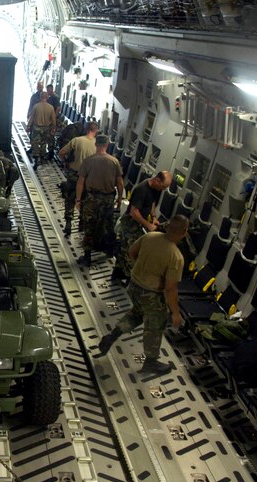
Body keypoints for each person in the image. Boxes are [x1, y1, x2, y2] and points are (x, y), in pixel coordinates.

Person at [93, 215, 189, 376]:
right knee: (155, 326)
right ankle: (151, 363)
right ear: (184, 232)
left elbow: (132, 252)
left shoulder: (150, 236)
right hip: (151, 294)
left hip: (134, 286)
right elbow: (170, 288)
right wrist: (175, 313)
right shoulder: (176, 256)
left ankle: (112, 336)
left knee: (136, 314)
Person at [112, 170, 173, 280]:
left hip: (139, 223)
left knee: (125, 249)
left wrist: (153, 216)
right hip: (130, 223)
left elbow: (152, 202)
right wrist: (148, 226)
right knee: (132, 251)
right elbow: (133, 212)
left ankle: (117, 274)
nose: (163, 190)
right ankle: (130, 278)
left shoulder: (155, 188)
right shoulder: (142, 189)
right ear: (157, 180)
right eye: (163, 187)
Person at [75, 134, 124, 267]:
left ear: (96, 144)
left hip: (92, 199)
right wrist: (119, 198)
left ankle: (87, 257)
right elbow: (120, 183)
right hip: (108, 198)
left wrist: (78, 200)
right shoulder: (114, 162)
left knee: (89, 225)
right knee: (107, 224)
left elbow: (81, 182)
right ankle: (108, 250)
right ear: (107, 145)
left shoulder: (88, 161)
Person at [58, 120, 98, 235]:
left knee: (70, 199)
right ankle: (81, 223)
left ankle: (69, 224)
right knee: (85, 200)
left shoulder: (76, 140)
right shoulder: (97, 145)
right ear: (96, 131)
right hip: (89, 178)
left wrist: (66, 162)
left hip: (74, 175)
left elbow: (61, 153)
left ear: (85, 129)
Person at [27, 92, 56, 165]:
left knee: (35, 142)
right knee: (43, 143)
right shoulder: (51, 107)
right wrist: (53, 127)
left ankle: (36, 157)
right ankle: (42, 157)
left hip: (36, 128)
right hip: (46, 128)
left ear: (40, 97)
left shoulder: (36, 106)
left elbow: (31, 118)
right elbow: (53, 119)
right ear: (47, 98)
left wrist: (28, 126)